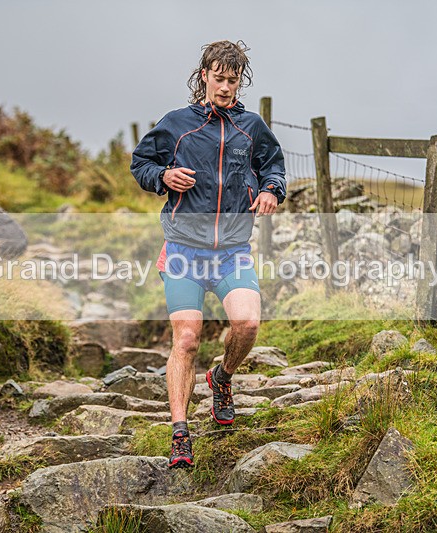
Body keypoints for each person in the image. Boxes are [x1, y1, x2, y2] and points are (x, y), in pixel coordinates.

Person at [130, 40, 286, 469]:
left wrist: (273, 190)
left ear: (240, 82)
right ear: (204, 76)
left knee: (249, 324)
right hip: (183, 251)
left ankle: (222, 378)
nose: (225, 88)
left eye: (233, 81)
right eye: (218, 79)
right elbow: (140, 163)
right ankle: (181, 432)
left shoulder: (251, 127)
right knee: (186, 339)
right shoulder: (176, 124)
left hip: (232, 251)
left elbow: (274, 165)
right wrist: (163, 175)